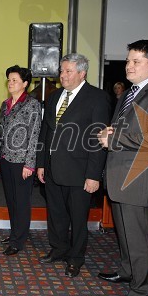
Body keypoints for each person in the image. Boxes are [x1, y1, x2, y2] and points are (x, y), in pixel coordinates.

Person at [97, 40, 148, 296]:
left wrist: (113, 137)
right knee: (125, 234)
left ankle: (141, 293)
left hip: (138, 182)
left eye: (136, 62)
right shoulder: (129, 94)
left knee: (140, 240)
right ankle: (128, 271)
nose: (129, 66)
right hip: (120, 179)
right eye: (128, 61)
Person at [36, 53, 111, 277]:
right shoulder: (54, 96)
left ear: (82, 73)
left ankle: (76, 258)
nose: (63, 75)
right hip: (52, 168)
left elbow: (98, 139)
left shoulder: (97, 98)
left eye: (68, 71)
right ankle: (58, 249)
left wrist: (93, 175)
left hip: (80, 172)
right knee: (56, 213)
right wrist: (41, 163)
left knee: (78, 218)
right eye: (61, 71)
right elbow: (45, 132)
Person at [0, 65, 41, 256]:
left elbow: (34, 135)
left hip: (22, 162)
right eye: (9, 80)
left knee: (21, 202)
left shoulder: (32, 104)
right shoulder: (5, 104)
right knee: (11, 201)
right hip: (5, 159)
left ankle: (18, 241)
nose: (10, 83)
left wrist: (30, 163)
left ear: (25, 84)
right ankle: (15, 233)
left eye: (15, 80)